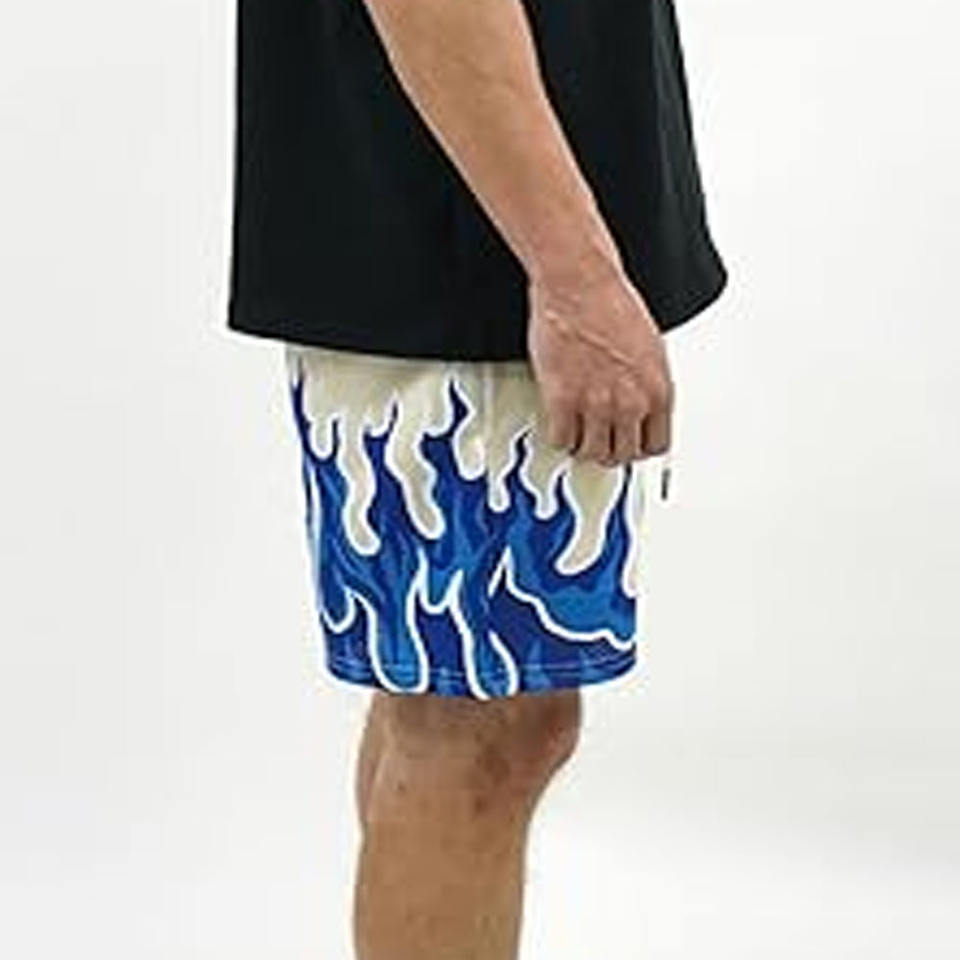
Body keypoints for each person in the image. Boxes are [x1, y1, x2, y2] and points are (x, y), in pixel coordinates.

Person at [226, 1, 726, 957]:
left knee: (456, 712)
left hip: (465, 233)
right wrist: (573, 278)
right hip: (474, 256)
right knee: (483, 730)